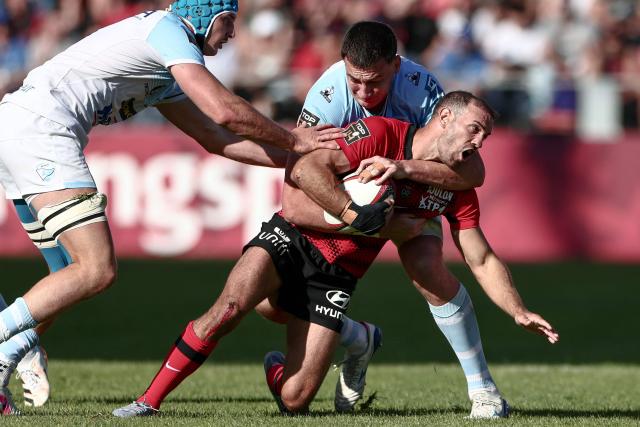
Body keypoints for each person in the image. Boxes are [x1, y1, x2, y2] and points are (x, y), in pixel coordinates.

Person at [111, 91, 558, 418]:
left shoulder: (455, 184)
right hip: (294, 237)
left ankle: (338, 344)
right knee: (229, 308)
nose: (480, 142)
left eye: (487, 135)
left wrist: (517, 310)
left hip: (338, 275)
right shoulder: (381, 132)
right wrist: (353, 214)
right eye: (474, 129)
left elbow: (479, 257)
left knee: (295, 400)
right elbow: (305, 170)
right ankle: (147, 402)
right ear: (443, 117)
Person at [0, 0, 343, 415]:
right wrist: (296, 140)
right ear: (206, 14)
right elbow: (224, 111)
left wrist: (296, 161)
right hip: (43, 131)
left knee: (63, 275)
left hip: (19, 127)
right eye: (230, 21)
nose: (233, 33)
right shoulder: (170, 32)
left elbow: (214, 137)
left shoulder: (164, 61)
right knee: (95, 269)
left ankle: (8, 359)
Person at [291, 20, 507, 417]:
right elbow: (296, 177)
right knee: (277, 305)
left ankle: (484, 391)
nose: (363, 92)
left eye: (374, 82)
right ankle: (359, 340)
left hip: (410, 193)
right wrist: (352, 212)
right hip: (348, 199)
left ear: (395, 65)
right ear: (343, 65)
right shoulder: (325, 95)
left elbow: (470, 173)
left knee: (426, 266)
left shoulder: (423, 90)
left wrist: (402, 170)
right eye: (355, 81)